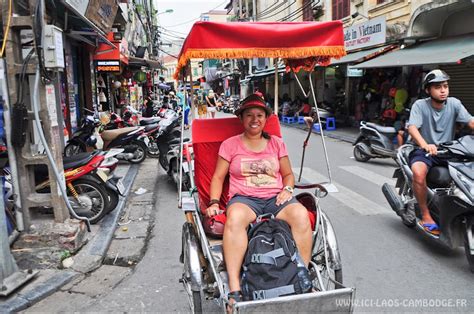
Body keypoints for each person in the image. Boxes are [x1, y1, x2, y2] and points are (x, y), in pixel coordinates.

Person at [205, 94, 312, 308]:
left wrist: (288, 189)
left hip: (275, 198)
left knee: (301, 215)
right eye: (249, 115)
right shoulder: (230, 145)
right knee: (234, 220)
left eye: (260, 115)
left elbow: (288, 174)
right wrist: (214, 202)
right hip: (245, 200)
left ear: (266, 119)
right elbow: (218, 177)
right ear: (242, 118)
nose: (255, 119)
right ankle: (235, 289)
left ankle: (301, 276)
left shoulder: (277, 144)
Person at [407, 69, 474, 235]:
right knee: (418, 173)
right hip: (425, 152)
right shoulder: (420, 105)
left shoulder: (454, 104)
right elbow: (412, 127)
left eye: (445, 86)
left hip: (449, 151)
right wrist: (425, 144)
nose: (443, 90)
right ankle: (426, 214)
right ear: (428, 90)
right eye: (437, 87)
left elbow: (471, 122)